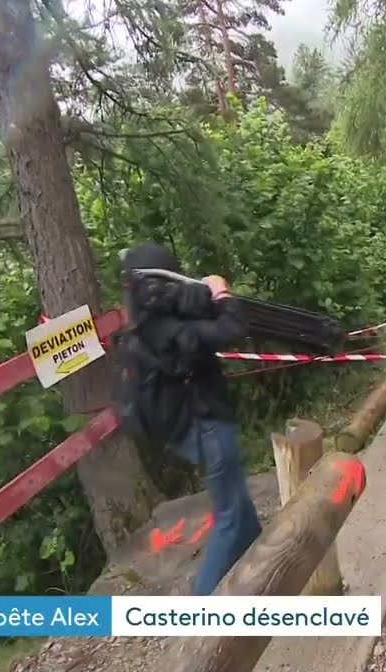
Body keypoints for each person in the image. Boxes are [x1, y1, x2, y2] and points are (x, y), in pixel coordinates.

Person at [116, 242, 261, 595]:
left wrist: (201, 297)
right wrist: (221, 293)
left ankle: (263, 565)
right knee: (230, 518)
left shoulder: (150, 321)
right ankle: (199, 611)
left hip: (197, 426)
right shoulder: (168, 330)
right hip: (208, 427)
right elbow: (232, 329)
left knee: (241, 510)